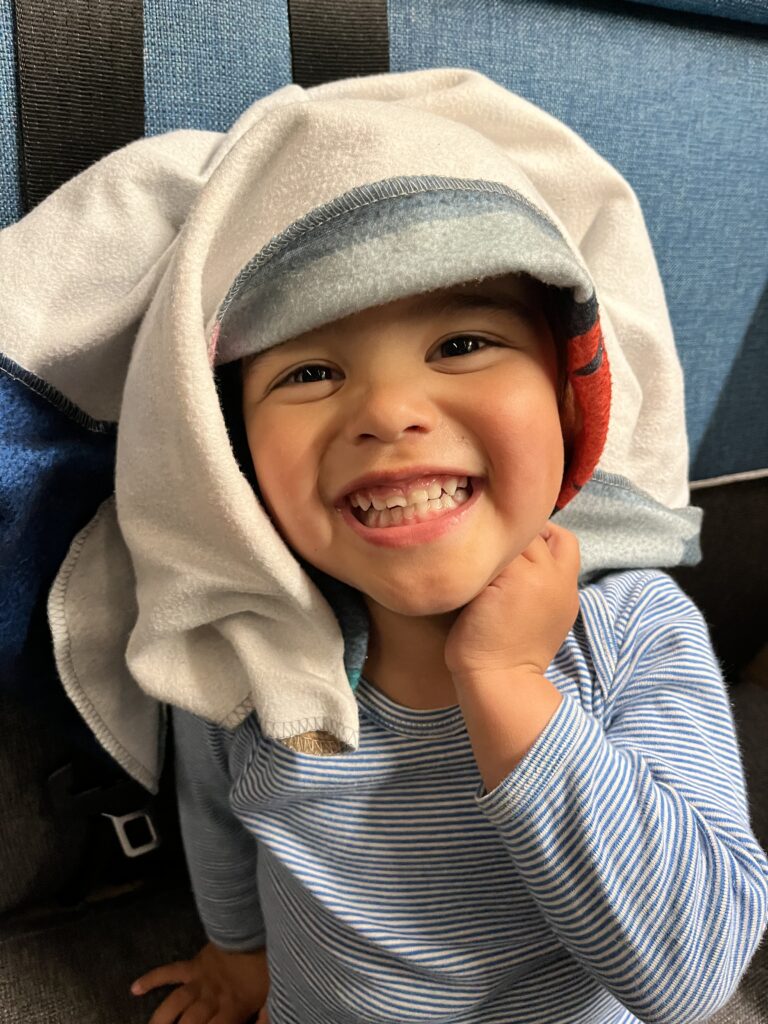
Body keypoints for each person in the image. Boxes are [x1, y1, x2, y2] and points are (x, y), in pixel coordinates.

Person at [49, 71, 759, 1024]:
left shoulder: (633, 631)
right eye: (310, 371)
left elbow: (692, 973)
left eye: (462, 344)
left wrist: (507, 682)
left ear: (569, 401)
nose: (387, 411)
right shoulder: (246, 637)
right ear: (229, 457)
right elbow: (216, 818)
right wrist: (237, 950)